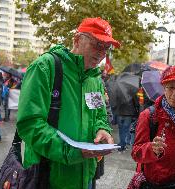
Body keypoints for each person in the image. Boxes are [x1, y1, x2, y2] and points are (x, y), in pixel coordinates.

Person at [16, 17, 119, 189]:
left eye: (106, 48)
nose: (102, 53)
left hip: (85, 174)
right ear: (77, 40)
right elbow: (29, 124)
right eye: (97, 44)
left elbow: (100, 114)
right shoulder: (44, 67)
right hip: (48, 176)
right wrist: (72, 151)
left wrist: (102, 130)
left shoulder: (94, 78)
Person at [130, 65, 175, 189]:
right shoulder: (149, 115)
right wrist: (151, 148)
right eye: (170, 87)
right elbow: (136, 153)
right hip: (150, 184)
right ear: (164, 88)